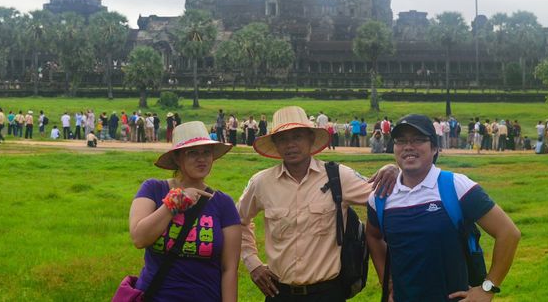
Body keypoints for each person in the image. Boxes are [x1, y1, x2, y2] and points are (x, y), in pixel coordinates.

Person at [237, 106, 399, 302]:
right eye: (283, 139)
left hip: (328, 293)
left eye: (297, 136)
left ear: (311, 139)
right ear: (276, 145)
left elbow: (390, 196)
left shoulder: (339, 176)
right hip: (279, 293)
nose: (290, 145)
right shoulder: (261, 183)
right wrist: (252, 262)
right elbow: (237, 222)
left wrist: (395, 171)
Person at [366, 114, 521, 302]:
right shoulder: (381, 196)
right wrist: (387, 282)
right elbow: (373, 236)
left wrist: (488, 288)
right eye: (401, 141)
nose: (408, 146)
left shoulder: (456, 186)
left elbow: (508, 233)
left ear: (434, 148)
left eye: (418, 140)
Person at [128, 121, 239, 301]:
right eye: (192, 153)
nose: (201, 159)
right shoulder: (153, 189)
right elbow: (139, 238)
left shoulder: (223, 203)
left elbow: (230, 269)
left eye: (206, 152)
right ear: (177, 158)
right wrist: (172, 205)